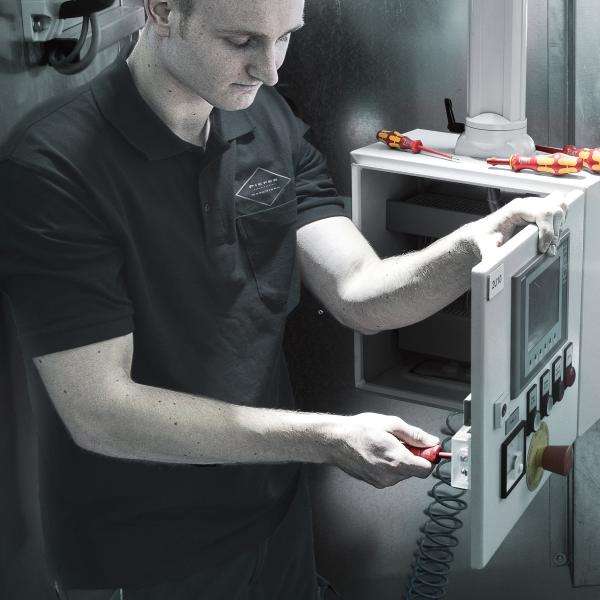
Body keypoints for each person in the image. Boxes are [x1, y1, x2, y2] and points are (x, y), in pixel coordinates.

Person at [0, 0, 567, 598]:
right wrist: (324, 438)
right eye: (241, 41)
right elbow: (101, 412)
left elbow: (359, 291)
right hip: (145, 553)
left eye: (285, 38)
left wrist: (475, 244)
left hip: (273, 518)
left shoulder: (261, 116)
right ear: (162, 10)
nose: (269, 70)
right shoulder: (55, 167)